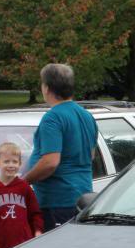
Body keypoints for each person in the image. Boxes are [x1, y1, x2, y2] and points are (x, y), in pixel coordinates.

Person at [23, 63, 98, 231]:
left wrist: (23, 182)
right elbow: (91, 155)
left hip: (58, 202)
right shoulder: (87, 116)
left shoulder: (53, 118)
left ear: (47, 88)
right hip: (83, 197)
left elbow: (50, 162)